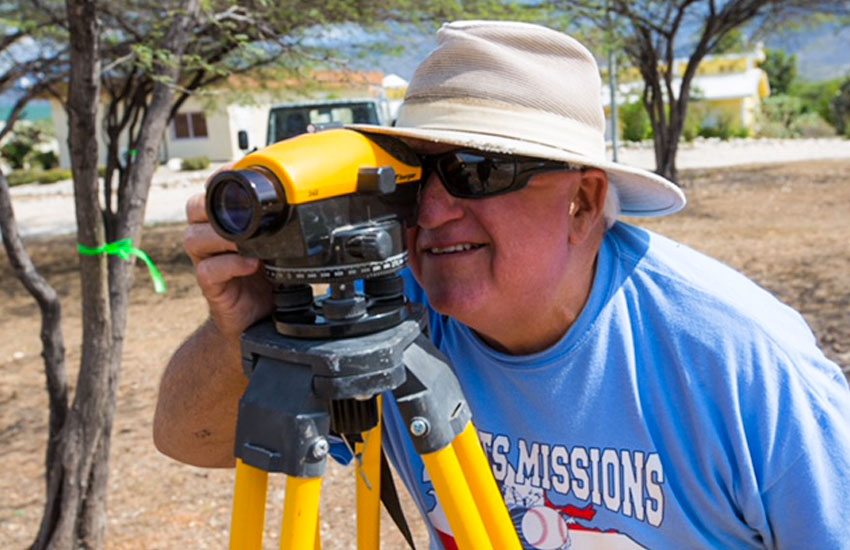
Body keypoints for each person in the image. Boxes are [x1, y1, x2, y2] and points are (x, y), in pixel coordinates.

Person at [154, 20, 850, 550]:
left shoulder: (741, 364)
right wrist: (240, 333)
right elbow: (191, 441)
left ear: (582, 202)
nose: (430, 211)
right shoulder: (392, 321)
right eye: (413, 177)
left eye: (475, 171)